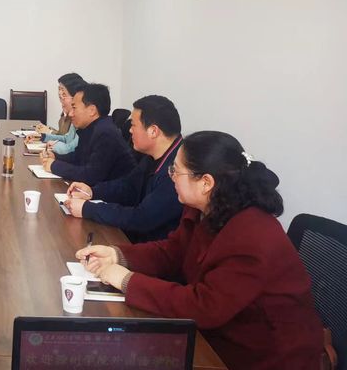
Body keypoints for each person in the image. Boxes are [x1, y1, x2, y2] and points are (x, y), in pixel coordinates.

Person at [76, 131, 323, 370]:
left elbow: (204, 307)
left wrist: (127, 280)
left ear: (206, 182)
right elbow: (172, 252)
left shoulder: (253, 236)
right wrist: (117, 255)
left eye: (176, 170)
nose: (171, 176)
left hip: (264, 355)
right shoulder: (204, 207)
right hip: (219, 335)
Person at [64, 95, 183, 242]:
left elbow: (141, 218)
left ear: (153, 131)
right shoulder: (153, 156)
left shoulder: (176, 171)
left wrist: (87, 209)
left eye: (133, 125)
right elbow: (127, 186)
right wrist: (92, 191)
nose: (130, 131)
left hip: (151, 247)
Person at [41, 83, 134, 184]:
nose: (71, 114)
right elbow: (78, 157)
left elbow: (91, 175)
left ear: (92, 110)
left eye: (74, 108)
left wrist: (54, 166)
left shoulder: (106, 133)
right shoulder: (89, 128)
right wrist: (55, 157)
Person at [38, 74, 86, 155]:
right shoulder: (72, 115)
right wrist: (42, 136)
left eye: (64, 94)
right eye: (59, 93)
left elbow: (71, 149)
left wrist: (54, 145)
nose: (60, 97)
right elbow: (66, 138)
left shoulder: (82, 120)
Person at [34, 72, 84, 138]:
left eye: (64, 93)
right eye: (59, 89)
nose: (60, 95)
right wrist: (48, 129)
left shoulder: (78, 116)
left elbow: (66, 140)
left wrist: (49, 132)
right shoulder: (65, 112)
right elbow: (63, 134)